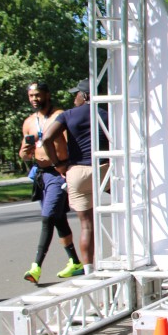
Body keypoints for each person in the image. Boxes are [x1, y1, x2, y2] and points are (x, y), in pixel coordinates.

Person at [42, 79, 109, 275]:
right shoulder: (108, 114)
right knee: (126, 210)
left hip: (78, 172)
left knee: (86, 225)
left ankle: (89, 270)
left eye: (77, 94)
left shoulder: (67, 115)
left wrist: (57, 164)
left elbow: (46, 139)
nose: (74, 99)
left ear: (85, 95)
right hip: (105, 170)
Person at [19, 82, 83, 283]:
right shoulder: (29, 122)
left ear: (47, 95)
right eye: (31, 96)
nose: (34, 99)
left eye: (38, 95)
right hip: (41, 175)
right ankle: (75, 262)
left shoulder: (60, 116)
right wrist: (26, 152)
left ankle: (36, 267)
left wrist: (69, 169)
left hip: (58, 173)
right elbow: (23, 154)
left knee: (47, 217)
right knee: (58, 219)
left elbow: (72, 144)